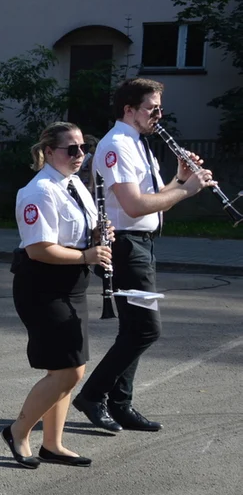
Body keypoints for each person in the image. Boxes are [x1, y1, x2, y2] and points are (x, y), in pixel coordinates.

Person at [71, 78, 214, 434]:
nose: (158, 115)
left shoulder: (138, 144)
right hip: (126, 245)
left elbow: (152, 197)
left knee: (135, 328)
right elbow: (134, 207)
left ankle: (120, 404)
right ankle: (92, 395)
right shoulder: (117, 145)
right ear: (129, 110)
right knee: (146, 329)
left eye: (159, 108)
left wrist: (181, 182)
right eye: (152, 108)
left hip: (141, 244)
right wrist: (187, 192)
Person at [3, 122, 112, 469]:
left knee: (68, 367)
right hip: (43, 286)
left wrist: (98, 233)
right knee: (68, 372)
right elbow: (38, 249)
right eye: (71, 149)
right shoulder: (38, 191)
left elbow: (80, 231)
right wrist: (86, 256)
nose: (80, 155)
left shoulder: (74, 184)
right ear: (49, 152)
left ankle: (53, 444)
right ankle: (18, 431)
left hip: (71, 285)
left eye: (83, 148)